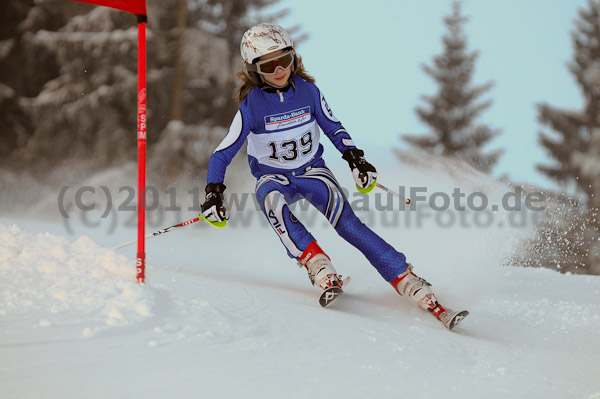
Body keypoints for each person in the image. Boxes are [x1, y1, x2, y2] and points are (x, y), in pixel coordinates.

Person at [200, 23, 468, 330]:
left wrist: (356, 160)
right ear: (254, 70)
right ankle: (316, 262)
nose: (279, 70)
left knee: (349, 225)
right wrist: (213, 192)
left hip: (313, 172)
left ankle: (407, 279)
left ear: (293, 57)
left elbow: (332, 127)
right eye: (268, 65)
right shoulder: (252, 106)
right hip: (274, 177)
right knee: (270, 200)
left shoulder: (309, 91)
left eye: (284, 60)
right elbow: (223, 152)